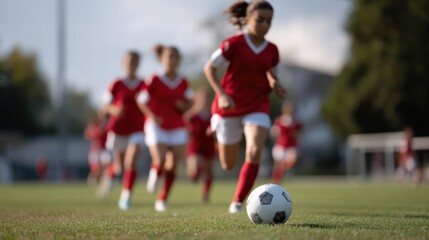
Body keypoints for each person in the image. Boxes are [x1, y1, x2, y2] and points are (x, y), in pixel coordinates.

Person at [203, 0, 286, 213]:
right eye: (260, 20)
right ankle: (217, 135)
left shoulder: (273, 50)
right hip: (229, 106)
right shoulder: (233, 44)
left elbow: (270, 70)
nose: (265, 25)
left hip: (257, 104)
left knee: (255, 149)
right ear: (247, 19)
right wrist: (221, 94)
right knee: (228, 164)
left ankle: (238, 202)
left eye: (269, 21)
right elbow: (209, 68)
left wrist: (273, 83)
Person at [137, 44, 193, 212]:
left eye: (176, 57)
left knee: (172, 164)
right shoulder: (154, 79)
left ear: (179, 60)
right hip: (157, 125)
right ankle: (155, 173)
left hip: (177, 126)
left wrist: (183, 106)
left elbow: (189, 103)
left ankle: (162, 199)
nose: (173, 60)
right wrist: (151, 116)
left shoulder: (183, 81)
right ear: (162, 59)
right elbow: (141, 100)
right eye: (170, 56)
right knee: (160, 160)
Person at [98, 51, 146, 210]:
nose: (131, 64)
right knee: (119, 166)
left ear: (138, 64)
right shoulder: (116, 84)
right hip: (118, 130)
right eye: (128, 61)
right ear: (123, 63)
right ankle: (111, 177)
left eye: (134, 61)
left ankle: (126, 196)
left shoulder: (144, 84)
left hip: (137, 129)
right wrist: (113, 110)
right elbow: (104, 106)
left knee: (131, 162)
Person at [184, 86, 217, 203]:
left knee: (209, 173)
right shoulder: (192, 115)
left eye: (207, 98)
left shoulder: (213, 114)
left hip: (209, 145)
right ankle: (191, 172)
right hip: (195, 146)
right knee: (196, 171)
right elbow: (183, 123)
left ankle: (205, 194)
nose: (205, 100)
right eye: (202, 98)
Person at [270, 101, 302, 183]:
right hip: (280, 145)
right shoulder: (279, 120)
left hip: (291, 146)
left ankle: (283, 173)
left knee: (290, 163)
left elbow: (298, 133)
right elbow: (274, 132)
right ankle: (276, 181)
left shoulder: (296, 122)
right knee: (277, 166)